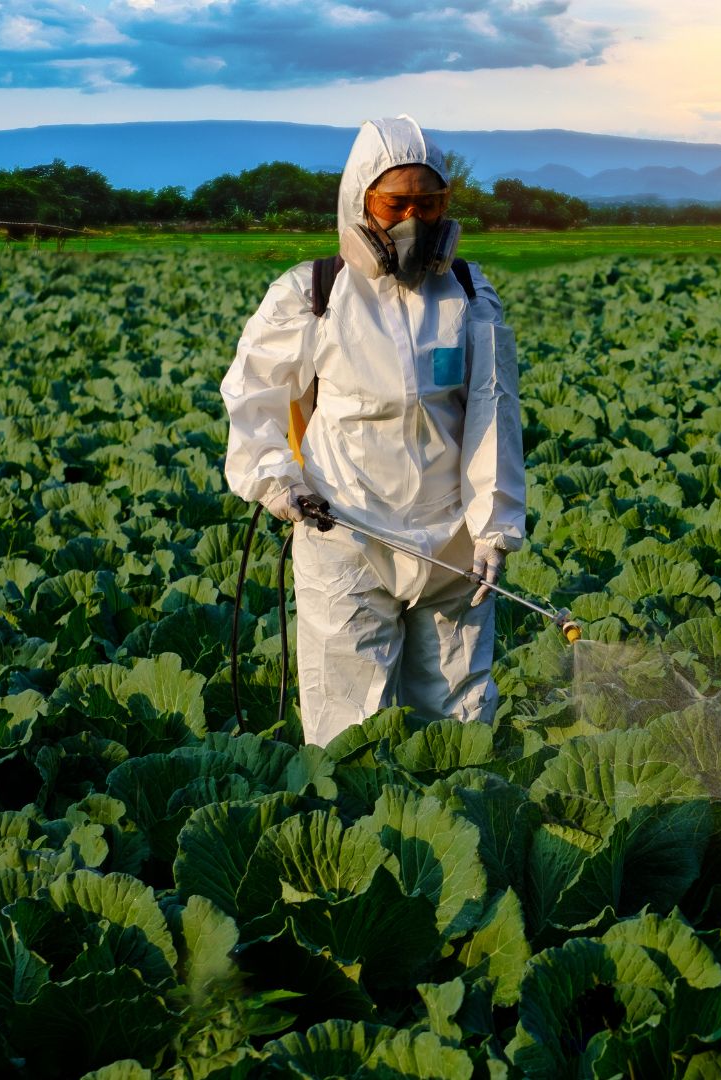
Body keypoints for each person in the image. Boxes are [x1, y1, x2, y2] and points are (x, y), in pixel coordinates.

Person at [219, 115, 525, 746]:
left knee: (457, 721)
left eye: (430, 202)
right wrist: (277, 480)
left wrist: (494, 527)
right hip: (346, 531)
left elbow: (493, 411)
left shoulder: (468, 292)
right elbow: (253, 396)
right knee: (346, 724)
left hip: (450, 545)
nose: (414, 218)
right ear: (362, 201)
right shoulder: (313, 294)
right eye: (397, 203)